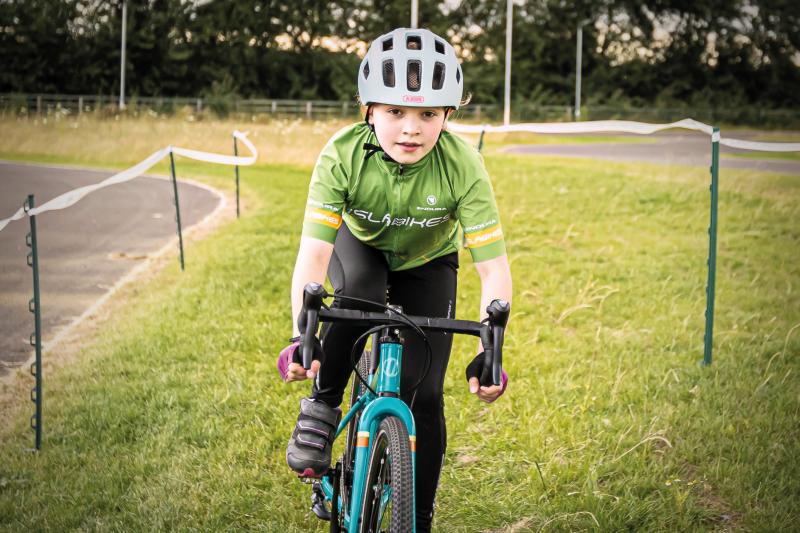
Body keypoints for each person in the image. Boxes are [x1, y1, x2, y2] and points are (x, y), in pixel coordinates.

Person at [276, 27, 513, 532]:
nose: (411, 129)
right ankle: (321, 406)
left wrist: (492, 351)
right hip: (359, 246)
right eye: (395, 112)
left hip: (430, 262)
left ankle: (418, 518)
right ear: (368, 110)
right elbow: (314, 256)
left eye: (429, 114)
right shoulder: (341, 155)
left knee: (424, 396)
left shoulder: (464, 165)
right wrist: (303, 338)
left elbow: (493, 268)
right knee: (358, 291)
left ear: (448, 115)